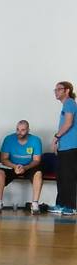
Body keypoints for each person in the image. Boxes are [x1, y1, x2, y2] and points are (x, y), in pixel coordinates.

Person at [0, 120, 43, 215]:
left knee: (38, 174)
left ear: (28, 130)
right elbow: (3, 159)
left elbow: (37, 160)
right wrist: (14, 166)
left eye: (22, 130)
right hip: (12, 165)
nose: (19, 132)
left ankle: (35, 204)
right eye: (17, 129)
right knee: (0, 172)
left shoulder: (36, 140)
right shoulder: (8, 139)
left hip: (28, 166)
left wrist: (25, 167)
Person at [51, 81, 77, 215]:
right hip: (64, 147)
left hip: (71, 147)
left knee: (69, 177)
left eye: (59, 89)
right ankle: (60, 204)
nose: (56, 92)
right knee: (61, 177)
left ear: (67, 90)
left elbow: (68, 123)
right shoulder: (66, 105)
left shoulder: (70, 103)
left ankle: (71, 206)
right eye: (55, 89)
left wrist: (56, 137)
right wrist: (58, 143)